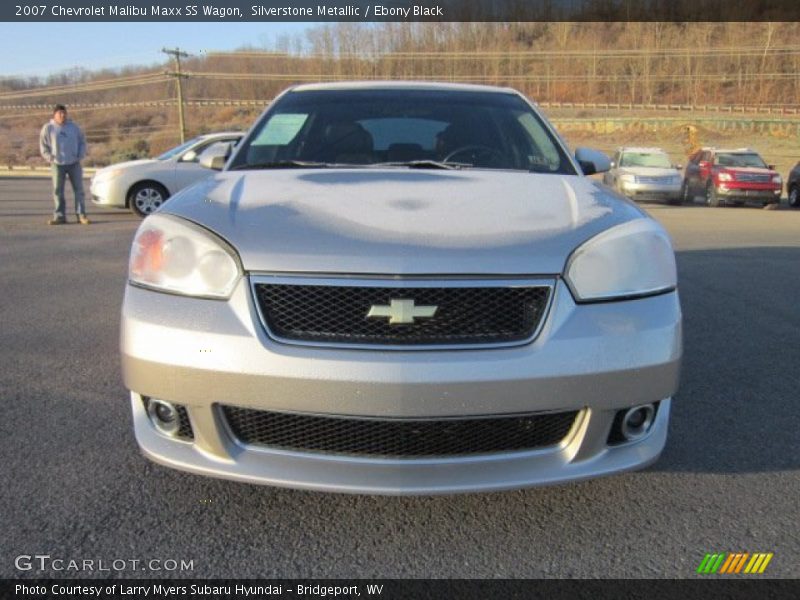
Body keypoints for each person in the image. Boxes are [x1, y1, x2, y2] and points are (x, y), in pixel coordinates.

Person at [39, 104, 89, 225]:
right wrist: (49, 157)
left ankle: (81, 215)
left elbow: (82, 141)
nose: (62, 115)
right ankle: (60, 216)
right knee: (58, 191)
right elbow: (43, 146)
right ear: (54, 115)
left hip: (74, 163)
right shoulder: (48, 128)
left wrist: (80, 155)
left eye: (64, 113)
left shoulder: (74, 127)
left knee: (79, 190)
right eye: (59, 113)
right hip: (57, 164)